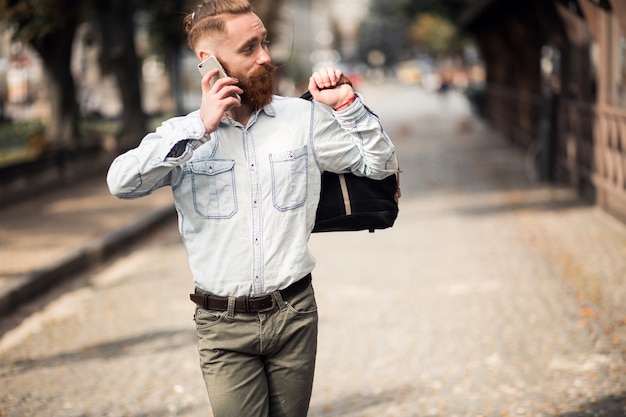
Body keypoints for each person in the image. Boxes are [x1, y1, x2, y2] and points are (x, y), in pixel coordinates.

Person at [106, 1, 397, 416]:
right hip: (222, 328)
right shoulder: (183, 135)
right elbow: (121, 182)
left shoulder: (302, 118)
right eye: (249, 49)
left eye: (265, 42)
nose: (266, 57)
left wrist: (347, 105)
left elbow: (379, 164)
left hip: (295, 314)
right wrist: (198, 127)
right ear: (210, 64)